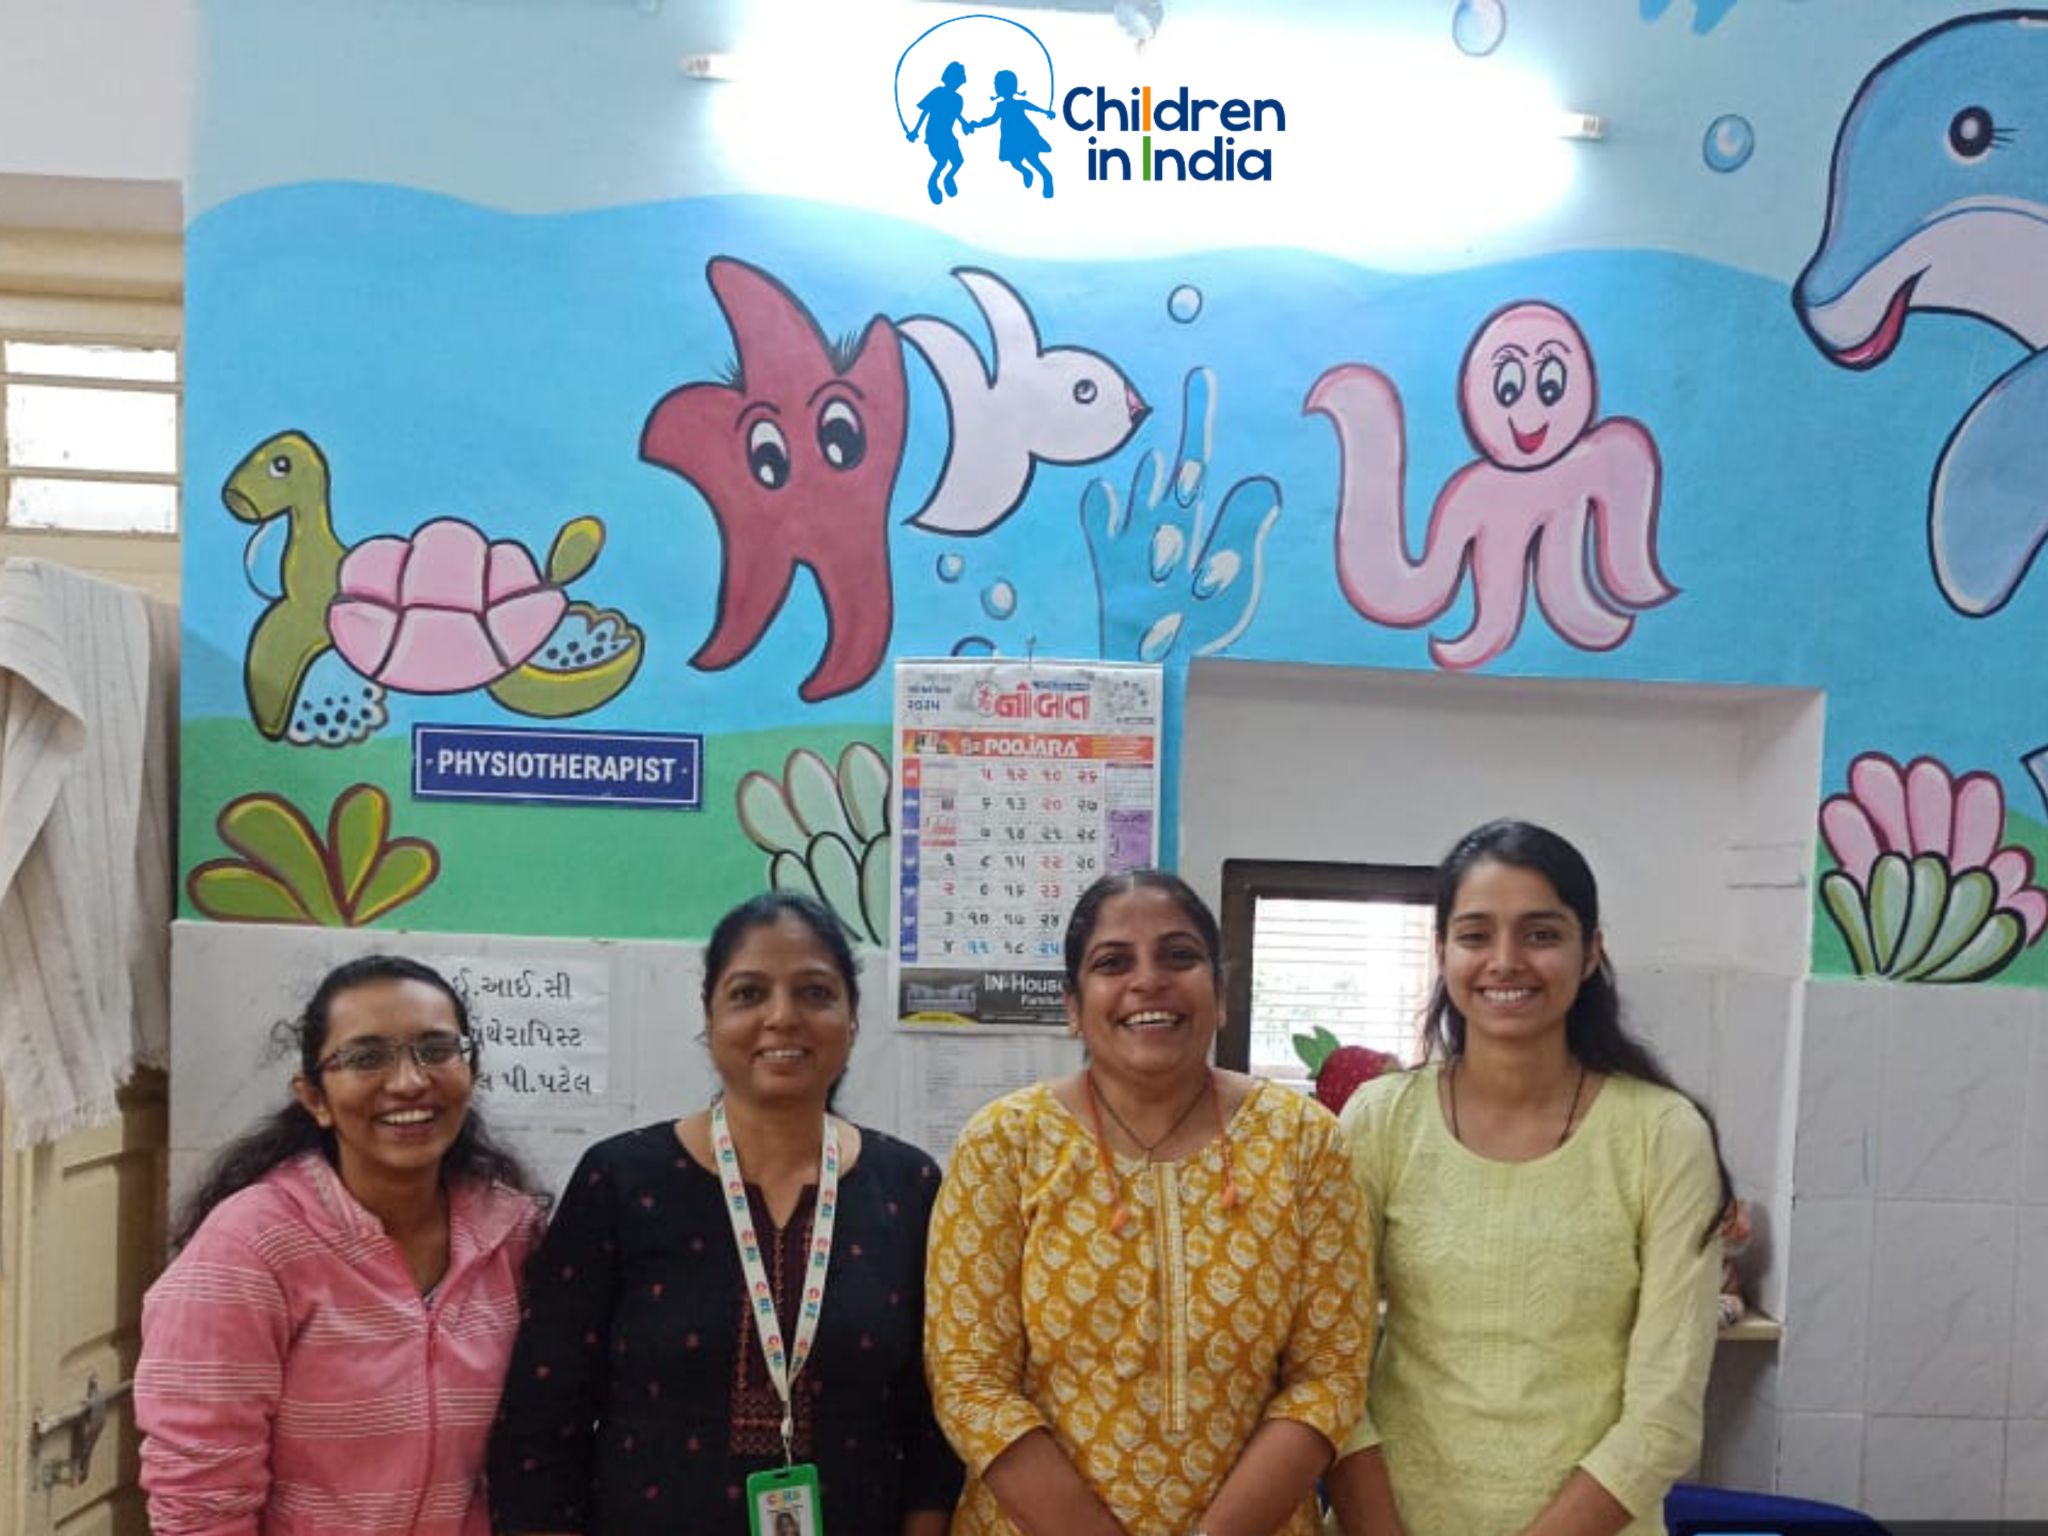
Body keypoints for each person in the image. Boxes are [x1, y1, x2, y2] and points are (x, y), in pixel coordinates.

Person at [488, 892, 962, 1536]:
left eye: (815, 993)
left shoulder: (908, 1187)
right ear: (709, 1019)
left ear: (852, 1020)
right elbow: (542, 1422)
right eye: (748, 994)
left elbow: (933, 1425)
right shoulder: (621, 1180)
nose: (782, 1017)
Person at [927, 870, 1371, 1536]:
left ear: (1221, 994)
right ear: (1072, 1007)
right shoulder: (1004, 1144)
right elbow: (970, 1379)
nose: (1148, 981)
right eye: (1113, 963)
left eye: (1178, 956)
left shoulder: (1304, 1141)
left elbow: (1330, 1374)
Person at [1325, 820, 1735, 1536]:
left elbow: (1663, 1418)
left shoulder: (1663, 1134)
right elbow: (1330, 1373)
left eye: (1541, 934)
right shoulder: (1381, 1120)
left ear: (1590, 952)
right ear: (1442, 952)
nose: (1506, 961)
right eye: (1476, 935)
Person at [136, 954, 549, 1536]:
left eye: (436, 1050)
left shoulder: (512, 1236)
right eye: (365, 1058)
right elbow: (200, 1498)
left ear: (471, 1071)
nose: (409, 1081)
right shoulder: (249, 1247)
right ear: (315, 1098)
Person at [965, 68, 1055, 196]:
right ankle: (1026, 172)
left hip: (1025, 136)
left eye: (998, 85)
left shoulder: (1019, 103)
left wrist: (1046, 112)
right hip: (1011, 138)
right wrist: (978, 124)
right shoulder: (1001, 106)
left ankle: (1047, 177)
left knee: (1032, 159)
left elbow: (1034, 108)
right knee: (1015, 161)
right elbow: (992, 120)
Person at [908, 61, 969, 205]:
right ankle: (932, 182)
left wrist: (964, 124)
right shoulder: (938, 93)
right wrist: (915, 130)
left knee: (958, 161)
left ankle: (948, 177)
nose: (957, 84)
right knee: (942, 160)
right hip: (935, 133)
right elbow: (925, 111)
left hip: (947, 134)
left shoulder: (958, 99)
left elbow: (956, 114)